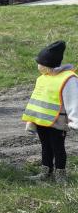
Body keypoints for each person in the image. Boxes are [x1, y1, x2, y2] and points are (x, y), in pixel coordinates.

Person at [22, 41, 78, 183]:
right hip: (42, 121)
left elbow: (73, 101)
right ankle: (45, 172)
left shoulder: (68, 79)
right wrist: (31, 120)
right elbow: (36, 100)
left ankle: (61, 175)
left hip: (58, 123)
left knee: (58, 148)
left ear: (48, 64)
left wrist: (75, 121)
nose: (38, 66)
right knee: (45, 147)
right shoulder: (42, 78)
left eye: (40, 63)